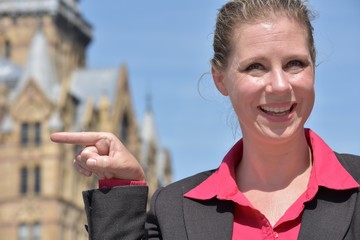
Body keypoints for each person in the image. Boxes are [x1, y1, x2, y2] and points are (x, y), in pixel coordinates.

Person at [50, 0, 360, 239]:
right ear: (220, 79)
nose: (279, 85)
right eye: (255, 67)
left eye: (295, 64)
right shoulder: (175, 209)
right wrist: (121, 187)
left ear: (314, 68)